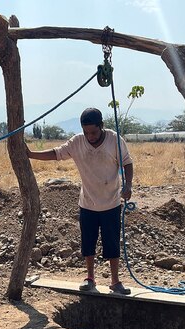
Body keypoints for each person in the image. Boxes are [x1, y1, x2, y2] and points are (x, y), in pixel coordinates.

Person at [26, 107, 134, 294]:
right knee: (88, 243)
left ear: (102, 126)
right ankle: (90, 278)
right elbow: (56, 154)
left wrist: (128, 185)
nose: (90, 136)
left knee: (112, 243)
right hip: (88, 203)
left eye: (93, 132)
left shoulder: (114, 140)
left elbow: (127, 162)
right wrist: (31, 154)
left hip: (111, 202)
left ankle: (115, 281)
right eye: (86, 132)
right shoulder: (77, 142)